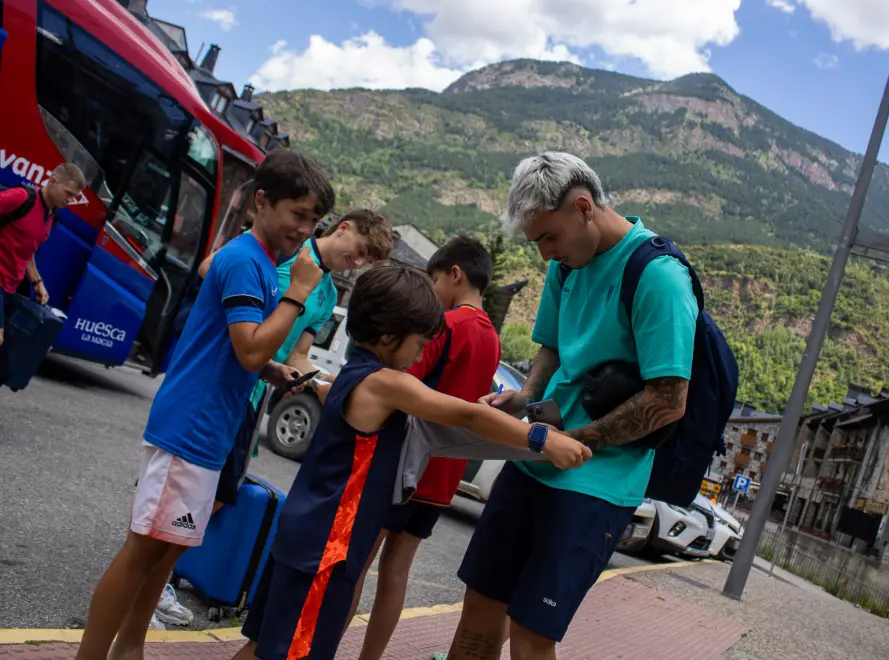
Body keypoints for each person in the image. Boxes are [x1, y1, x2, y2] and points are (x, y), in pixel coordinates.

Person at [230, 265, 590, 660]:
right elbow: (466, 416)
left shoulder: (352, 376)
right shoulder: (387, 383)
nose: (421, 354)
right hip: (330, 548)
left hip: (304, 535)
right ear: (387, 336)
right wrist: (542, 439)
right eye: (419, 344)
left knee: (262, 646)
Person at [74, 149, 336, 660]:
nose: (304, 231)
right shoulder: (246, 262)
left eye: (313, 221)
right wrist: (298, 295)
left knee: (166, 554)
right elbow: (250, 346)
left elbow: (242, 351)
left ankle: (129, 648)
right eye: (297, 215)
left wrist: (271, 370)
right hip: (190, 429)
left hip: (209, 432)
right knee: (142, 552)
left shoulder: (261, 263)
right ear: (263, 202)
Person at [438, 152, 699, 660]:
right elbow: (551, 347)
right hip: (535, 460)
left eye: (548, 238)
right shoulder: (565, 265)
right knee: (478, 611)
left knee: (533, 635)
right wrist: (527, 395)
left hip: (596, 484)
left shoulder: (659, 278)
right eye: (536, 243)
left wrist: (575, 442)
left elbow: (668, 401)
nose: (544, 255)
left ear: (584, 207)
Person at [151, 209, 395, 631]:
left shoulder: (327, 297)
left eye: (365, 262)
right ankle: (147, 587)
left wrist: (324, 383)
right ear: (343, 228)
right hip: (215, 382)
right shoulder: (283, 251)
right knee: (176, 490)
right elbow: (212, 269)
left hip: (254, 395)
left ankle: (158, 582)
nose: (356, 264)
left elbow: (297, 356)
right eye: (359, 252)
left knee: (219, 495)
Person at [349, 237, 502, 660]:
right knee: (397, 571)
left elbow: (402, 383)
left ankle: (324, 646)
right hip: (443, 476)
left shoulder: (446, 324)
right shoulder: (493, 339)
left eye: (433, 279)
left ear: (455, 273)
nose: (431, 290)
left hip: (403, 466)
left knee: (359, 563)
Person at [0, 163, 85, 348]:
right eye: (68, 193)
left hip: (9, 287)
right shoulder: (22, 198)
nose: (70, 200)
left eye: (74, 197)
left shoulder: (51, 217)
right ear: (53, 181)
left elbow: (27, 249)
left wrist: (37, 282)